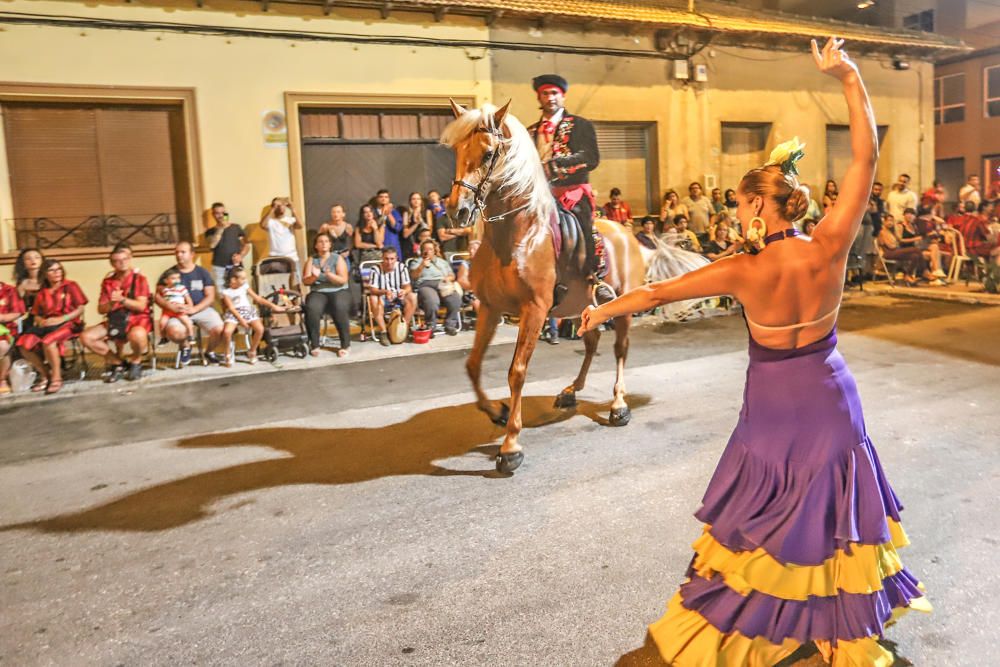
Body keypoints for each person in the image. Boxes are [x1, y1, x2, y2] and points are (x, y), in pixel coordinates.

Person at [580, 39, 930, 666]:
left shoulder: (741, 269)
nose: (733, 211)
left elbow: (658, 292)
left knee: (769, 522)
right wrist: (848, 73)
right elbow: (867, 153)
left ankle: (767, 626)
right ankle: (835, 625)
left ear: (758, 203)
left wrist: (602, 308)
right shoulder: (830, 244)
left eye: (739, 202)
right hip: (831, 399)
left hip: (772, 410)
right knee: (832, 515)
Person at [527, 73, 612, 302]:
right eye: (545, 93)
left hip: (571, 191)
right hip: (541, 195)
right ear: (539, 96)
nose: (550, 97)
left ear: (562, 96)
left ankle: (596, 278)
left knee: (583, 225)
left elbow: (591, 158)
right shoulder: (530, 132)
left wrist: (556, 164)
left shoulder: (580, 125)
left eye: (554, 93)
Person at [81, 248, 153, 383]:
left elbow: (141, 306)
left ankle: (136, 361)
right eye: (117, 261)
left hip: (137, 319)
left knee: (137, 335)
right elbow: (101, 309)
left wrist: (123, 300)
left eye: (125, 259)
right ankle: (117, 362)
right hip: (116, 320)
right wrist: (111, 303)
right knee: (86, 337)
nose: (122, 263)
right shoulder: (108, 282)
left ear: (130, 259)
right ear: (112, 264)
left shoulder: (139, 279)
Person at [16, 259, 87, 394]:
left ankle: (56, 377)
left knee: (48, 341)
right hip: (48, 324)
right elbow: (36, 314)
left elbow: (80, 308)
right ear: (45, 273)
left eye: (59, 269)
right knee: (23, 343)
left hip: (69, 323)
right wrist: (41, 321)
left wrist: (62, 318)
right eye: (52, 270)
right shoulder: (43, 292)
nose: (57, 273)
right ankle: (45, 373)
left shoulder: (70, 286)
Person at [158, 241, 225, 365]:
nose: (179, 255)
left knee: (220, 329)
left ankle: (209, 352)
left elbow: (210, 296)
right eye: (177, 252)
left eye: (183, 252)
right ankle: (185, 346)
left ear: (192, 254)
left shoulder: (202, 272)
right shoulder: (169, 273)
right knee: (175, 333)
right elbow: (158, 296)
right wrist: (169, 306)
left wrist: (195, 309)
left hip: (201, 309)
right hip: (175, 312)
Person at [220, 266, 285, 366]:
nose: (245, 280)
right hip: (234, 313)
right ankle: (227, 352)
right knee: (227, 331)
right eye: (242, 278)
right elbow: (231, 308)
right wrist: (241, 320)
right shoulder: (226, 292)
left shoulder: (244, 286)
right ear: (233, 279)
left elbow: (258, 299)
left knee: (260, 329)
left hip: (247, 310)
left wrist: (273, 306)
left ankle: (252, 350)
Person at [302, 232, 351, 357]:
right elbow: (306, 281)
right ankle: (315, 344)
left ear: (330, 245)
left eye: (326, 241)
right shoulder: (312, 259)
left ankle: (345, 344)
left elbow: (343, 280)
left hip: (338, 290)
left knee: (339, 306)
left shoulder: (337, 258)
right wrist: (314, 276)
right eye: (320, 242)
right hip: (319, 291)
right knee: (311, 307)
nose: (323, 244)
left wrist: (329, 275)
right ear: (316, 246)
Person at [409, 239, 461, 336]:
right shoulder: (417, 261)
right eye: (425, 249)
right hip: (425, 284)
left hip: (442, 284)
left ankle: (450, 324)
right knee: (432, 301)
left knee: (455, 299)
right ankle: (431, 326)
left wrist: (448, 278)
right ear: (422, 250)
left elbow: (452, 275)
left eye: (430, 249)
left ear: (434, 251)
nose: (428, 251)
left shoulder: (442, 262)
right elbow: (413, 276)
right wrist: (421, 266)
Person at [367, 247, 417, 346]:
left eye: (392, 259)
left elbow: (408, 287)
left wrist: (404, 291)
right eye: (386, 259)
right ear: (382, 258)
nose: (389, 262)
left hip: (398, 296)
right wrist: (385, 292)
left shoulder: (401, 267)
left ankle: (403, 327)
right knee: (373, 298)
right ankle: (384, 332)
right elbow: (372, 289)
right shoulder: (376, 269)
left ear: (396, 258)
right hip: (382, 296)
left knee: (412, 296)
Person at [205, 202, 249, 289]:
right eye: (217, 213)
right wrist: (221, 228)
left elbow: (246, 245)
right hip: (219, 268)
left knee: (242, 291)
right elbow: (212, 245)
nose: (221, 215)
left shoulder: (236, 227)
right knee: (223, 294)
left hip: (236, 266)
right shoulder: (210, 232)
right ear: (213, 215)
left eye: (223, 213)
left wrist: (241, 256)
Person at [260, 197, 302, 277]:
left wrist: (292, 208)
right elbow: (262, 225)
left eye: (282, 205)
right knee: (279, 285)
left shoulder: (290, 220)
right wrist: (273, 208)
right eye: (278, 205)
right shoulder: (270, 222)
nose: (280, 207)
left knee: (295, 284)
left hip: (292, 257)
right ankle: (281, 290)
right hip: (275, 258)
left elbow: (300, 226)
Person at [156, 268, 196, 345]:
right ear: (166, 281)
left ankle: (191, 336)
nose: (177, 280)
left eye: (178, 278)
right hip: (168, 311)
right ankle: (163, 337)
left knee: (187, 322)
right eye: (173, 278)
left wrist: (187, 306)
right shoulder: (165, 289)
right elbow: (158, 298)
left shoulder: (181, 288)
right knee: (162, 323)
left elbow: (188, 300)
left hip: (179, 310)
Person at [0, 280, 26, 394]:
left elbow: (18, 312)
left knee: (2, 346)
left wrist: (3, 318)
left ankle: (2, 380)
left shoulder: (9, 290)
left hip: (6, 328)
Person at [402, 192, 433, 259]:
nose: (416, 201)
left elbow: (430, 230)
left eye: (418, 199)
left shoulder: (427, 212)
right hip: (410, 245)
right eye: (413, 199)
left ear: (421, 201)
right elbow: (405, 234)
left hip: (424, 244)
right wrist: (416, 224)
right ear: (410, 201)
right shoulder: (407, 213)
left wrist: (421, 221)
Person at [374, 189, 404, 257]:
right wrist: (383, 215)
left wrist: (389, 214)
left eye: (386, 197)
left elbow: (398, 228)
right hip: (377, 249)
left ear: (389, 199)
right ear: (377, 199)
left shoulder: (394, 212)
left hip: (392, 246)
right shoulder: (372, 213)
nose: (383, 199)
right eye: (381, 197)